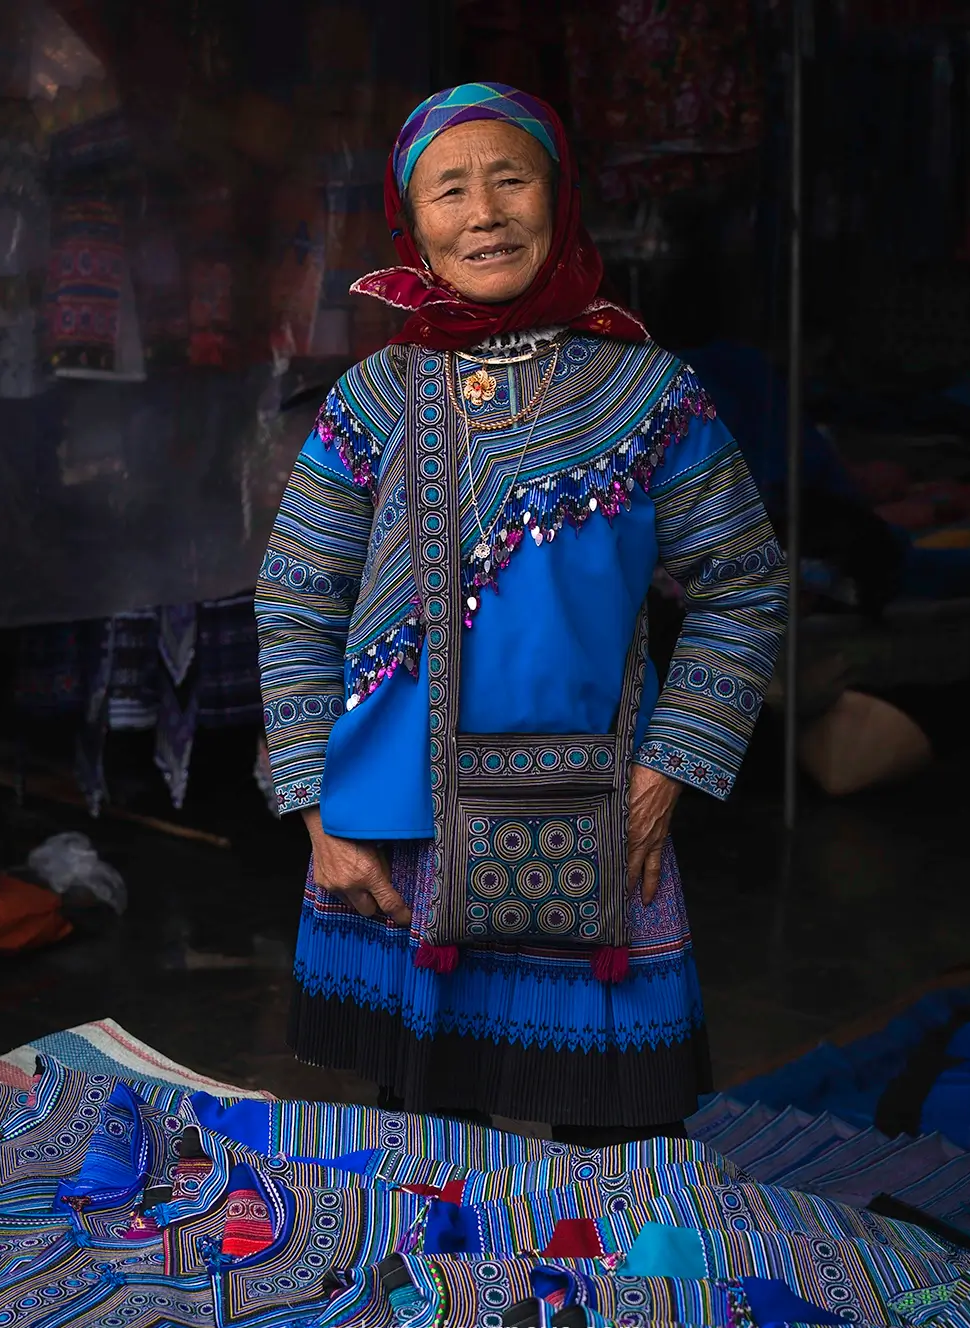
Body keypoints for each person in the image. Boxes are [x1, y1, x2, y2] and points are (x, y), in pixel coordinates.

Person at [256, 83, 788, 1144]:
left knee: (620, 1156)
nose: (484, 211)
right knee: (431, 1166)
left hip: (594, 826)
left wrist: (666, 766)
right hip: (396, 840)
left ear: (559, 198)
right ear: (414, 224)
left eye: (510, 177)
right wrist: (317, 813)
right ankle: (460, 1319)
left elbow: (742, 581)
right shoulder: (369, 400)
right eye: (449, 189)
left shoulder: (648, 395)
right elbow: (294, 602)